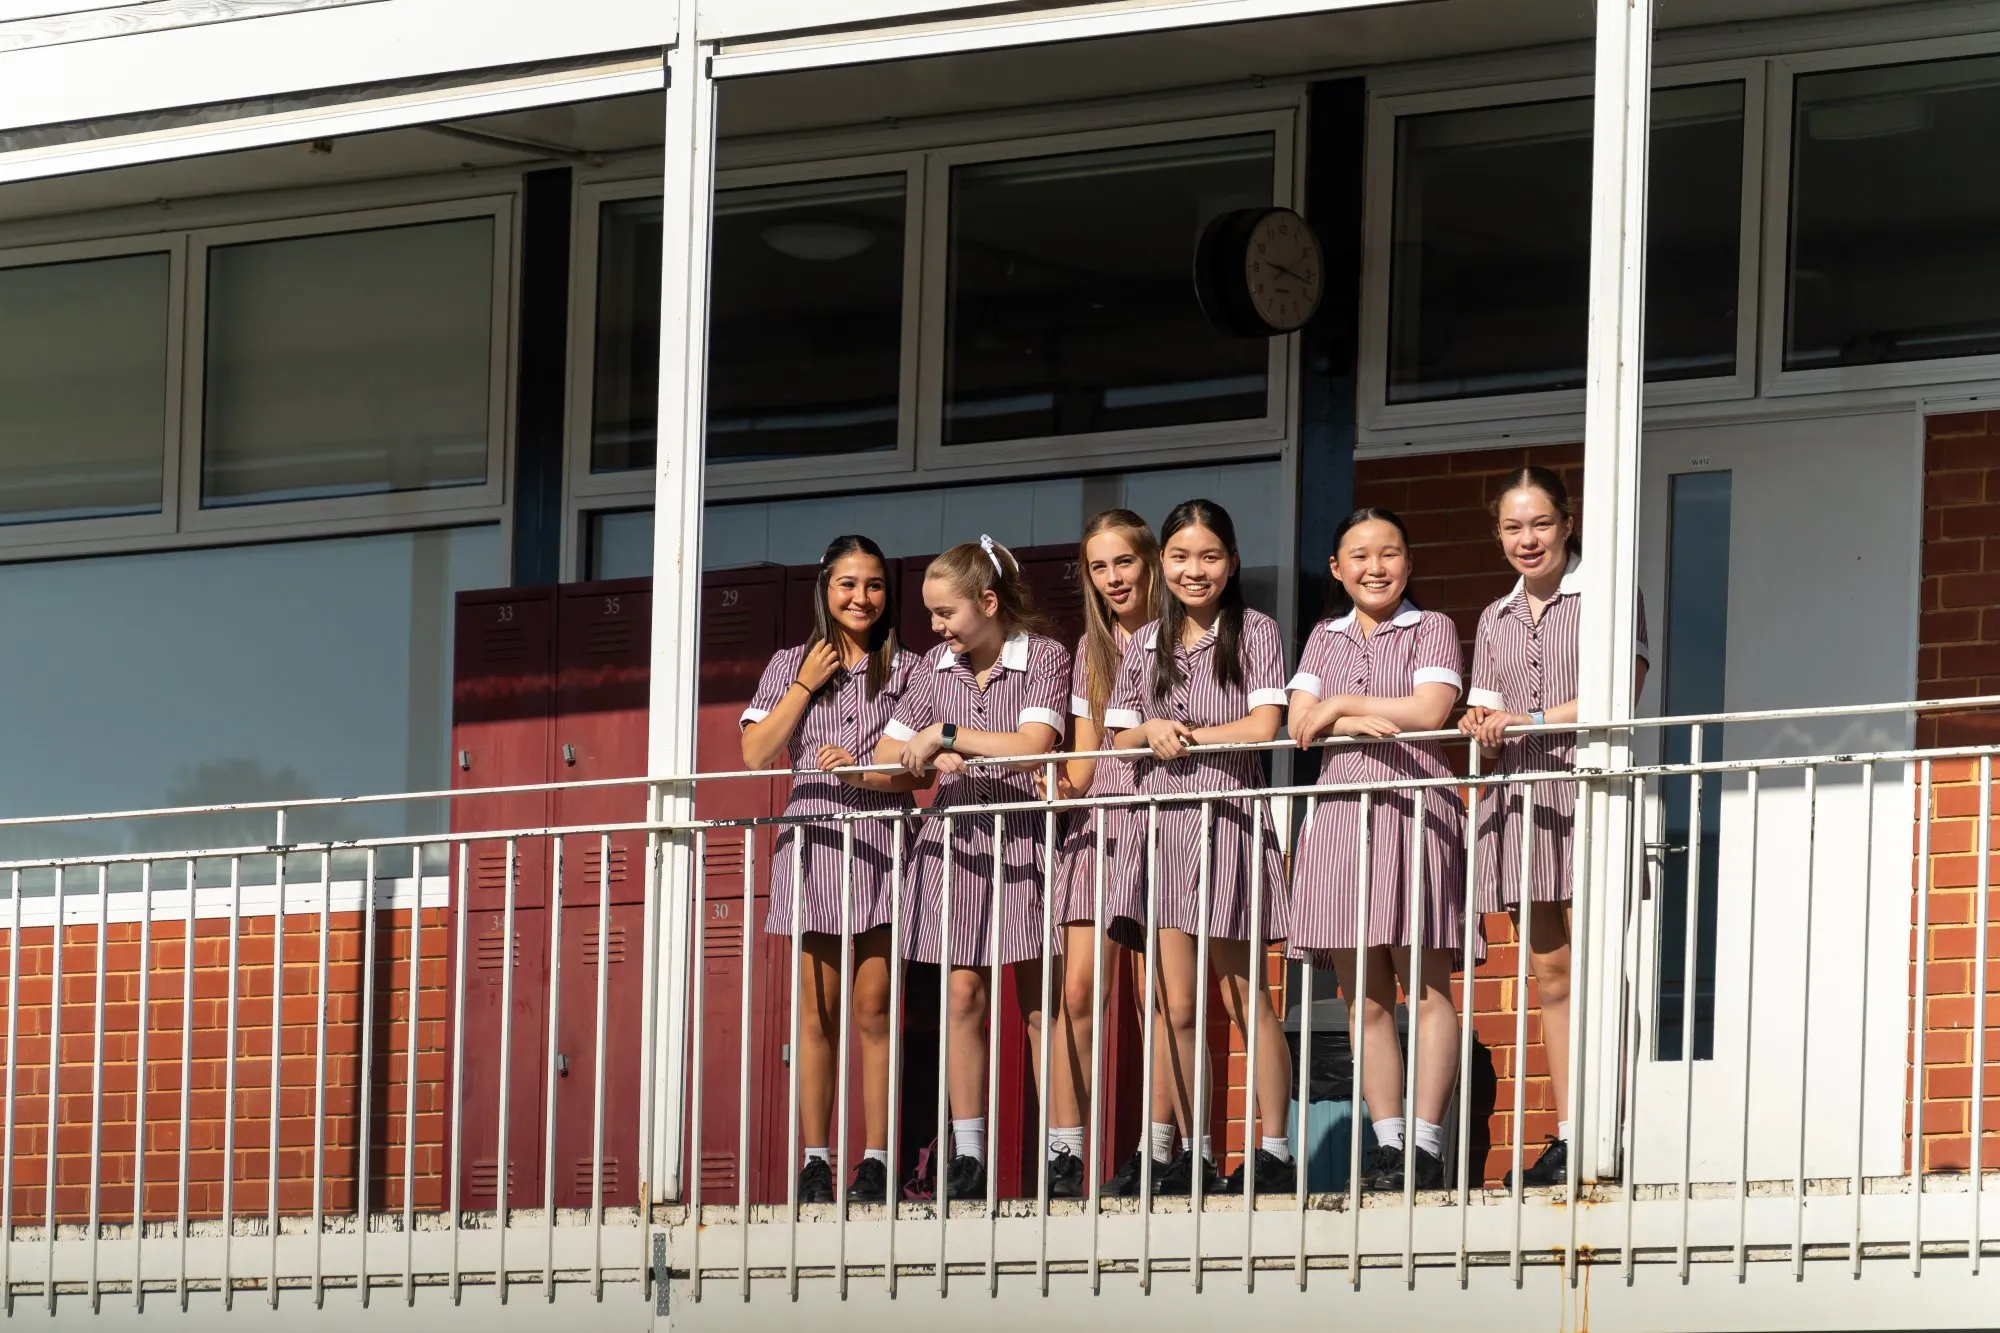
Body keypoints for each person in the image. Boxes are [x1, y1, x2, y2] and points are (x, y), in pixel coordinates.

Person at [1458, 466, 1649, 1189]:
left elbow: (1617, 692)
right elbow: (1485, 716)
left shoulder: (1604, 592)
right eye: (1512, 526)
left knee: (1604, 966)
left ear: (1567, 523)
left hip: (1588, 791)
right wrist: (1482, 726)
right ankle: (1571, 1131)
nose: (1526, 539)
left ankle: (1611, 1127)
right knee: (1550, 972)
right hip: (1521, 799)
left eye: (1539, 523)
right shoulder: (1494, 617)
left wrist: (1528, 720)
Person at [1103, 499, 1295, 1197]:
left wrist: (1183, 735)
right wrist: (1148, 730)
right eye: (1181, 557)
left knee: (1249, 998)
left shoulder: (1257, 630)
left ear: (1233, 562)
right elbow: (1115, 737)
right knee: (1176, 1004)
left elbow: (1266, 723)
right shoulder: (1146, 640)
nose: (1195, 569)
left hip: (1232, 822)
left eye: (1210, 556)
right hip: (1163, 828)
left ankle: (1274, 1148)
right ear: (1163, 564)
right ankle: (1196, 1151)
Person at [876, 536, 1072, 1201]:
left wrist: (949, 737)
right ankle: (968, 1154)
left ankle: (1063, 1150)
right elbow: (890, 753)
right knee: (962, 995)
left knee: (1040, 1002)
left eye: (946, 613)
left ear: (989, 602)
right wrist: (925, 756)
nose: (936, 628)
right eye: (931, 614)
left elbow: (1031, 747)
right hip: (953, 844)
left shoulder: (1044, 655)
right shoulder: (934, 667)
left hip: (1021, 839)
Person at [1287, 507, 1473, 1193]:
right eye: (1359, 555)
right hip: (1340, 814)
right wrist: (1335, 713)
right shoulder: (1322, 635)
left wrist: (1340, 705)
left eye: (1390, 552)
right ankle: (1387, 1142)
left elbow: (1429, 713)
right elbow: (1297, 726)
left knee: (1425, 985)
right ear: (1336, 567)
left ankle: (1426, 1144)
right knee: (1362, 994)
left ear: (1409, 561)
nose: (1375, 566)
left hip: (1416, 807)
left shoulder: (1433, 628)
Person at [739, 535, 922, 1205]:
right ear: (824, 588)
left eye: (873, 584)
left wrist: (861, 765)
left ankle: (875, 1158)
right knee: (816, 1012)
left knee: (875, 1008)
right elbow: (757, 751)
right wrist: (803, 686)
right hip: (814, 843)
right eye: (847, 583)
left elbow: (917, 769)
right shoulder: (791, 661)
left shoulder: (910, 665)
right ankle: (815, 1159)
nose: (861, 597)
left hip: (880, 838)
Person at [1039, 509, 1177, 1198]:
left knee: (1159, 995)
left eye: (1123, 561)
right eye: (1099, 566)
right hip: (1099, 826)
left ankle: (1158, 1147)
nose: (1113, 577)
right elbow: (1087, 765)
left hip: (1165, 822)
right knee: (1079, 990)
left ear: (1150, 562)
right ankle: (1065, 1151)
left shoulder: (1186, 638)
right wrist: (1042, 780)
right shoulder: (1089, 650)